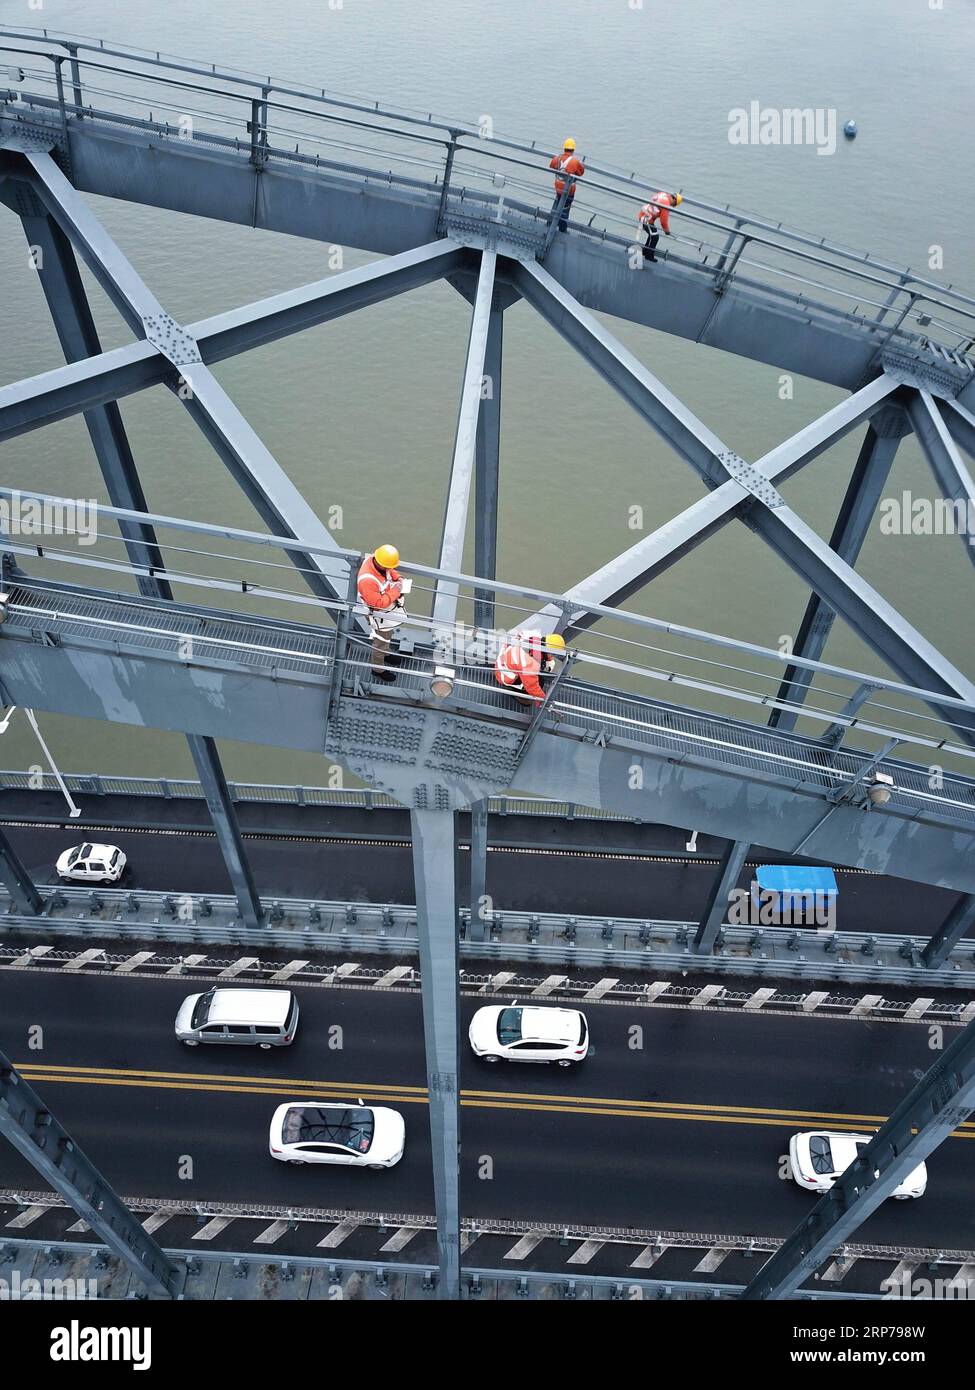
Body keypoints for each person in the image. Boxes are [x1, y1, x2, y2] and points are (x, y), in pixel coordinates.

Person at [357, 543, 407, 681]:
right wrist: (396, 590)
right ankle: (378, 669)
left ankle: (385, 653)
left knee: (386, 635)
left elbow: (388, 571)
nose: (391, 569)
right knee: (381, 640)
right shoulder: (367, 580)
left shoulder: (376, 560)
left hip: (384, 611)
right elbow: (377, 604)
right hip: (377, 613)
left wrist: (398, 578)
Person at [495, 631, 567, 706]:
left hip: (504, 660)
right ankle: (517, 693)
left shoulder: (534, 638)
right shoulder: (529, 662)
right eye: (553, 655)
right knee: (539, 681)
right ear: (547, 651)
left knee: (534, 675)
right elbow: (531, 685)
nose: (553, 657)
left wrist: (548, 660)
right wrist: (542, 701)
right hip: (503, 675)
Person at [549, 138, 586, 231]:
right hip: (569, 190)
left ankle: (550, 222)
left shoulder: (557, 158)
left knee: (557, 202)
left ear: (564, 148)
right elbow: (581, 173)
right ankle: (562, 227)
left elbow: (551, 166)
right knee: (566, 207)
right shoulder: (575, 162)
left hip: (558, 188)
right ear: (573, 150)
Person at [638, 191, 682, 262]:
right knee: (655, 237)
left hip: (644, 215)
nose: (672, 206)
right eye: (674, 205)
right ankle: (649, 256)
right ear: (674, 200)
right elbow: (663, 221)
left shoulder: (662, 194)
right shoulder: (666, 205)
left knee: (652, 235)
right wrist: (667, 231)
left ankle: (645, 251)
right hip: (646, 219)